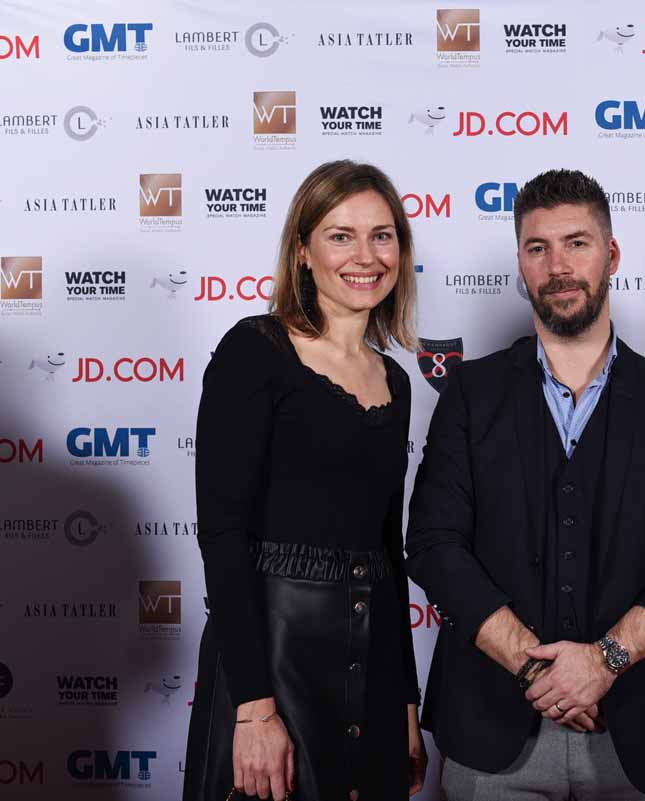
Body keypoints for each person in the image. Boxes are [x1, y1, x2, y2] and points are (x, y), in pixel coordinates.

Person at [405, 169, 645, 801]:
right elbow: (433, 543)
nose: (558, 266)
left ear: (611, 255)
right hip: (493, 731)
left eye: (577, 244)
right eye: (539, 248)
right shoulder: (472, 393)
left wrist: (604, 661)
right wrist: (538, 670)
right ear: (521, 263)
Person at [184, 160, 427, 801]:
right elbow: (224, 535)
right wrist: (253, 710)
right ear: (302, 250)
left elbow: (388, 551)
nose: (366, 256)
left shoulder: (395, 381)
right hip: (274, 659)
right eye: (341, 236)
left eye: (381, 235)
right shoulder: (254, 350)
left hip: (373, 664)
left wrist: (406, 703)